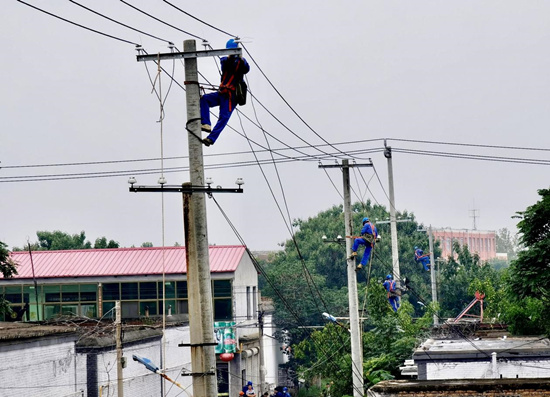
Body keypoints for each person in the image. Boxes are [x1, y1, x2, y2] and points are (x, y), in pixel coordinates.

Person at [200, 38, 250, 147]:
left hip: (231, 96)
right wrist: (233, 57)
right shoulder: (225, 61)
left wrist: (241, 59)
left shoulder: (241, 63)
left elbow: (246, 68)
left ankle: (211, 138)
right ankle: (206, 123)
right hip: (222, 93)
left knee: (223, 117)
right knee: (205, 99)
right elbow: (224, 63)